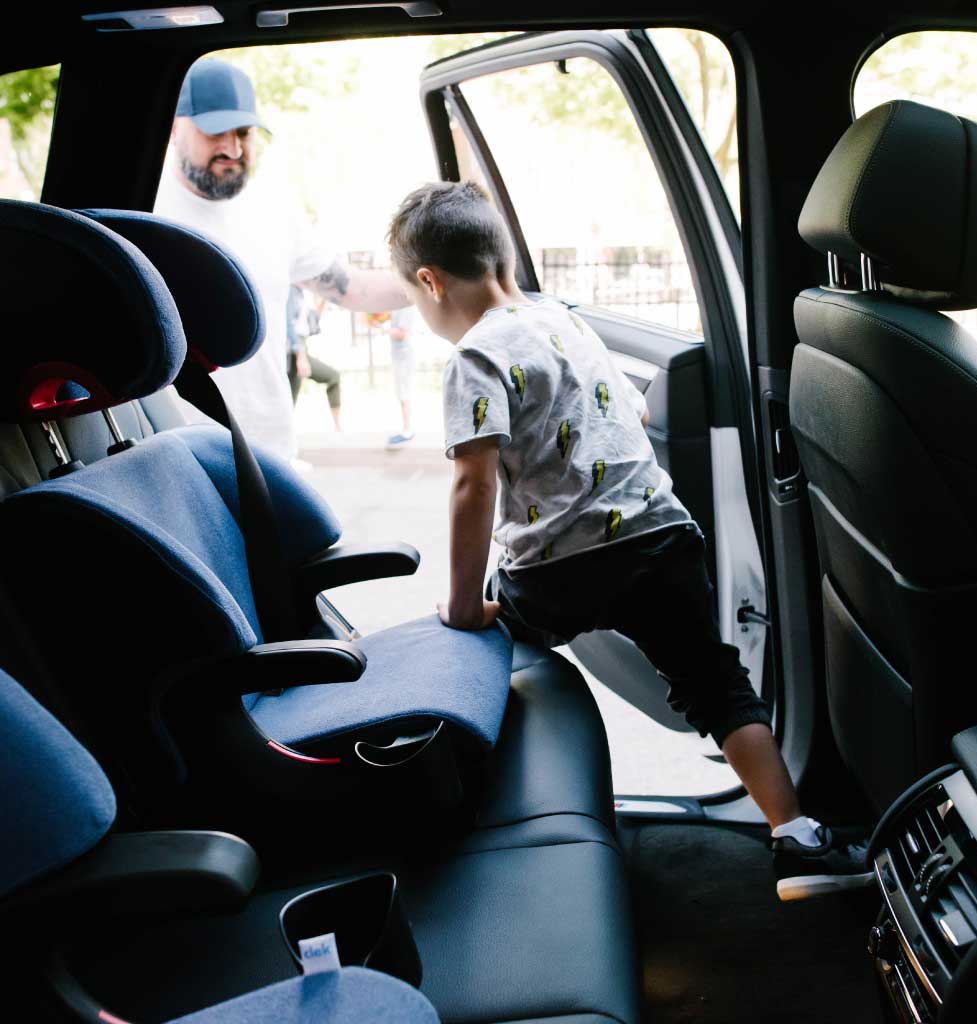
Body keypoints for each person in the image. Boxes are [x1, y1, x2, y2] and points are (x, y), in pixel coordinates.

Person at [387, 180, 871, 902]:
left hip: (555, 572)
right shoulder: (565, 322)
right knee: (716, 685)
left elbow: (473, 487)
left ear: (428, 283)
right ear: (502, 255)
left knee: (486, 641)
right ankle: (796, 837)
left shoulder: (474, 358)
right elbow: (637, 409)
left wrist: (464, 604)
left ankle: (479, 820)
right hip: (661, 536)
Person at [156, 58, 409, 460]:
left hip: (269, 453)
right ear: (173, 128)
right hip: (175, 454)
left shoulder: (274, 210)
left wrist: (435, 279)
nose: (233, 148)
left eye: (243, 132)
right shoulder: (143, 210)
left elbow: (352, 287)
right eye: (215, 132)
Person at [287, 286, 342, 432]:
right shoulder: (291, 289)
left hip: (300, 347)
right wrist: (300, 356)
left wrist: (324, 298)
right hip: (293, 351)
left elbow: (312, 324)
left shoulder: (301, 292)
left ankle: (337, 427)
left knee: (289, 399)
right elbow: (290, 325)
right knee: (333, 377)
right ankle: (338, 428)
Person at [384, 305, 419, 447]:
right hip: (399, 353)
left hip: (404, 354)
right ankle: (406, 428)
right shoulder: (397, 303)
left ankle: (408, 430)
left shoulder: (406, 306)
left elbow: (402, 333)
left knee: (404, 392)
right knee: (402, 391)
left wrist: (382, 327)